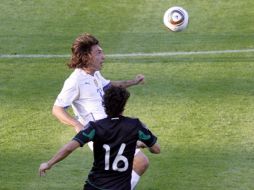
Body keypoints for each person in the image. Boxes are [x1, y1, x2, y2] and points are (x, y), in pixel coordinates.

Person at [52, 33, 148, 189]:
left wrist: (134, 81)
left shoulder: (94, 74)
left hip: (112, 128)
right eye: (99, 52)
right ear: (87, 56)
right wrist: (77, 125)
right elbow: (57, 109)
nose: (103, 56)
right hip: (101, 134)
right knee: (140, 161)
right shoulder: (75, 81)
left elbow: (110, 86)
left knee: (133, 165)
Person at [39, 86, 160, 190]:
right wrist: (140, 144)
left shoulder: (94, 127)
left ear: (104, 104)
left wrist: (49, 163)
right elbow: (156, 149)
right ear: (124, 105)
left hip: (95, 186)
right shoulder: (134, 125)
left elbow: (69, 148)